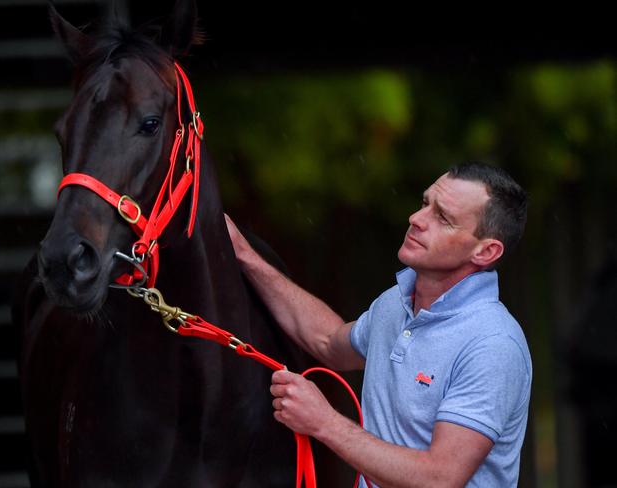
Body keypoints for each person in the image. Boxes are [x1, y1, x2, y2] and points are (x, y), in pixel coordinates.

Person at [225, 162, 532, 487]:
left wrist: (324, 422)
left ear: (486, 251)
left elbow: (439, 479)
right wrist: (245, 255)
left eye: (443, 218)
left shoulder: (493, 343)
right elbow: (329, 342)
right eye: (425, 203)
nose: (416, 219)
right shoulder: (395, 304)